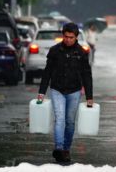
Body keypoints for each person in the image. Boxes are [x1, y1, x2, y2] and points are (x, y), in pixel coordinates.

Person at [37, 22, 93, 163]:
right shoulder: (55, 51)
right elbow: (47, 72)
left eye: (71, 37)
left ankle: (66, 149)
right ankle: (59, 148)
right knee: (60, 119)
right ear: (63, 36)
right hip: (57, 89)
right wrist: (41, 92)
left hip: (74, 91)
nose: (68, 40)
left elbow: (87, 75)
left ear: (76, 37)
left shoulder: (81, 53)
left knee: (69, 122)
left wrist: (89, 96)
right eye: (66, 37)